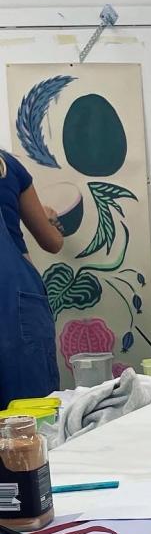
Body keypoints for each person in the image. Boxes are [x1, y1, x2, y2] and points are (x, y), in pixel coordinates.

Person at [0, 149, 65, 405]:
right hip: (12, 302)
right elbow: (52, 242)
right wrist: (49, 220)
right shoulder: (8, 166)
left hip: (13, 299)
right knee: (30, 414)